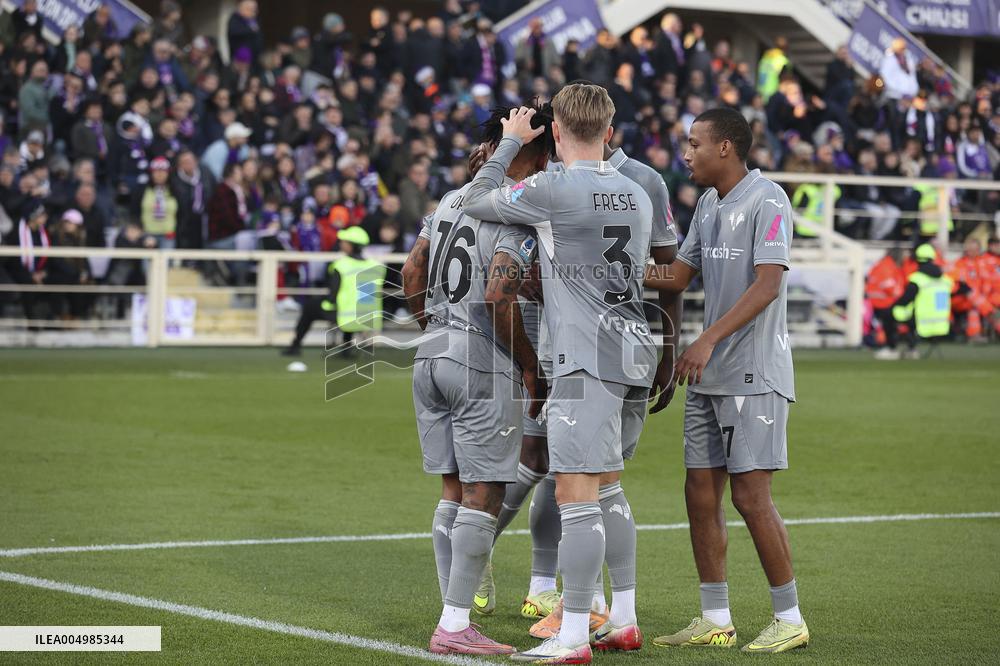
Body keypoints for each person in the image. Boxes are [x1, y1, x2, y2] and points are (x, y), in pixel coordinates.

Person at [462, 84, 656, 662]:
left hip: (584, 356)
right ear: (609, 131)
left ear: (556, 131)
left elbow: (476, 198)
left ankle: (572, 633)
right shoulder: (635, 191)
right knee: (609, 485)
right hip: (634, 349)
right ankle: (623, 617)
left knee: (575, 494)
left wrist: (508, 142)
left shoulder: (553, 187)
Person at [644, 107, 808, 653]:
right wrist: (607, 268)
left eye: (694, 144)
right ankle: (716, 618)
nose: (686, 154)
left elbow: (768, 285)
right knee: (698, 494)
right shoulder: (709, 205)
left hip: (753, 372)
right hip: (708, 376)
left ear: (725, 148)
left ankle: (789, 618)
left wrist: (706, 338)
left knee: (750, 497)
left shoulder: (769, 199)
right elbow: (677, 275)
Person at [399, 103, 550, 656]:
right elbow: (498, 295)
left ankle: (453, 612)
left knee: (453, 491)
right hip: (480, 363)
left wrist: (437, 328)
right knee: (483, 493)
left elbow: (411, 271)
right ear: (537, 155)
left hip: (431, 353)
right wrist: (530, 365)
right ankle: (455, 624)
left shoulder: (449, 200)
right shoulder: (515, 210)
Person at [282, 226, 385, 356]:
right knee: (346, 307)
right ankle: (346, 348)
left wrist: (329, 303)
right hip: (368, 316)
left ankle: (295, 346)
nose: (341, 243)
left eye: (344, 241)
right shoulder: (375, 265)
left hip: (345, 315)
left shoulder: (341, 265)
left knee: (310, 307)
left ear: (351, 245)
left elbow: (333, 294)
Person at [892, 243, 957, 354]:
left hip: (921, 321)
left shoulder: (917, 279)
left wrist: (894, 305)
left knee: (894, 311)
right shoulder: (945, 279)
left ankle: (899, 347)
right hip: (942, 322)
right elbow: (955, 291)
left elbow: (906, 299)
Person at [867, 247, 908, 359]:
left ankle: (891, 348)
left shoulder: (882, 265)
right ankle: (891, 348)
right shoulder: (887, 266)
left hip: (879, 302)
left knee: (888, 327)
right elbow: (889, 285)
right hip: (885, 302)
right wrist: (901, 295)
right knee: (889, 327)